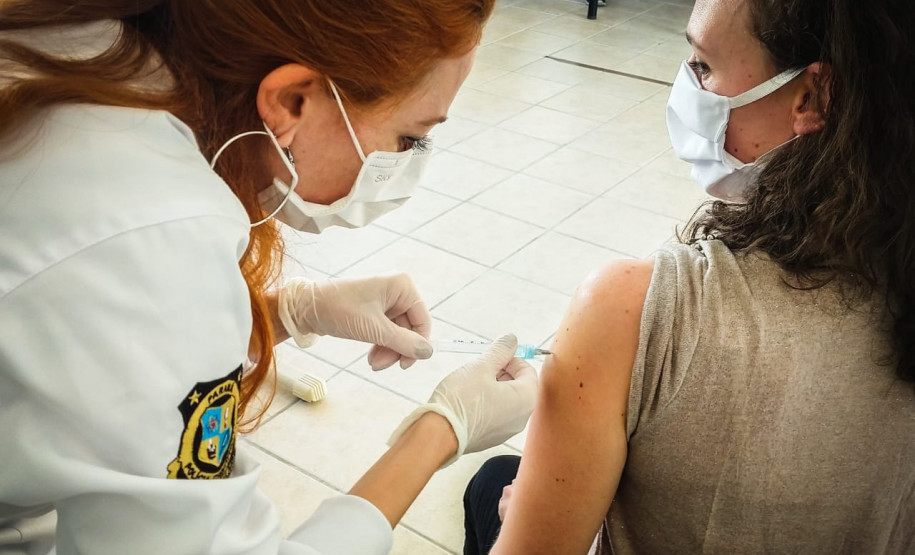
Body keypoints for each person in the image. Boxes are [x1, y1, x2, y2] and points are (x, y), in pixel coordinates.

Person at [0, 1, 539, 553]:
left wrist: (285, 313)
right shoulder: (151, 236)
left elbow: (105, 357)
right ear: (290, 100)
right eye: (411, 138)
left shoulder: (91, 46)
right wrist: (442, 429)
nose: (409, 164)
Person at [464, 0, 915, 553]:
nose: (686, 89)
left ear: (813, 96)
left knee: (491, 486)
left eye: (703, 66)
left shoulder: (637, 310)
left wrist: (513, 499)